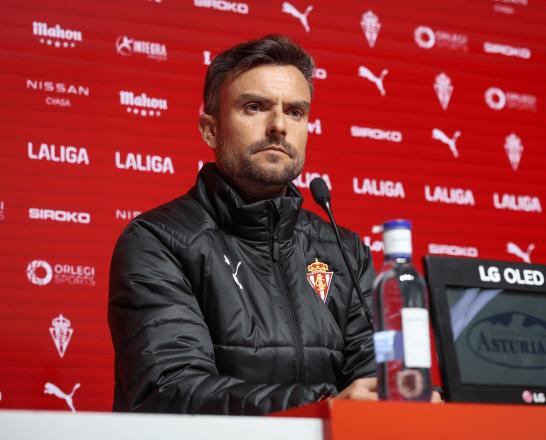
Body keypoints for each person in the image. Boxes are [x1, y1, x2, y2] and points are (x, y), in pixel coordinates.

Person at [108, 35, 379, 415]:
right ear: (210, 130)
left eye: (296, 112)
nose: (278, 126)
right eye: (255, 107)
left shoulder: (345, 251)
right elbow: (171, 388)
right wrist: (322, 405)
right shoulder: (158, 240)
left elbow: (375, 382)